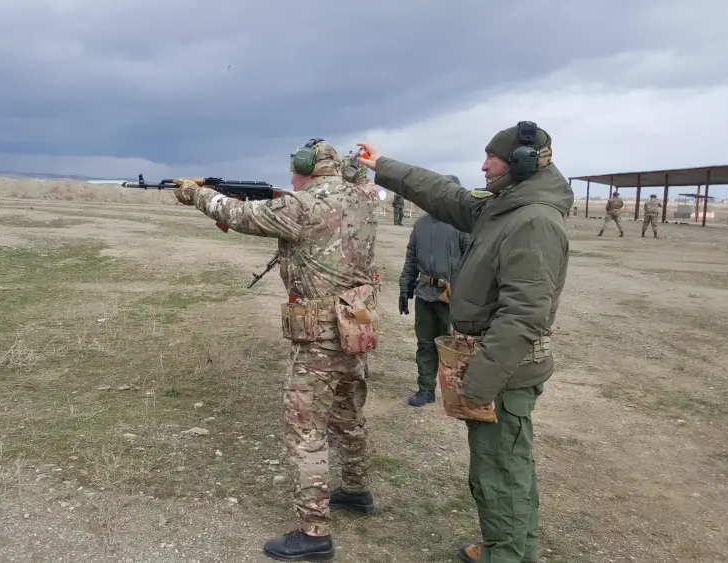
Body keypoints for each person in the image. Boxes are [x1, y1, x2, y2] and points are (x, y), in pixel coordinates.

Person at [354, 121, 572, 563]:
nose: (482, 166)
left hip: (504, 373)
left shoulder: (532, 221)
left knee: (499, 473)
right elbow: (445, 195)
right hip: (500, 368)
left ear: (522, 164)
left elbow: (523, 315)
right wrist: (384, 166)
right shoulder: (505, 205)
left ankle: (505, 555)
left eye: (491, 159)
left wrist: (478, 385)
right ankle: (510, 547)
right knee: (507, 465)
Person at [171, 138, 379, 562]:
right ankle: (356, 491)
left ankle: (314, 532)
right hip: (354, 326)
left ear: (305, 168)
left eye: (294, 169)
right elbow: (357, 179)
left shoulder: (301, 206)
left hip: (319, 334)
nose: (291, 178)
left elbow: (241, 215)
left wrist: (199, 194)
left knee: (305, 429)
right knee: (349, 413)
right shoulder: (363, 197)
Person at [398, 174, 470, 407]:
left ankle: (459, 392)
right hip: (424, 295)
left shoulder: (464, 226)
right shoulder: (421, 224)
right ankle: (426, 388)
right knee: (425, 344)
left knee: (457, 348)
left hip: (453, 297)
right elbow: (411, 258)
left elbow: (474, 261)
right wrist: (405, 288)